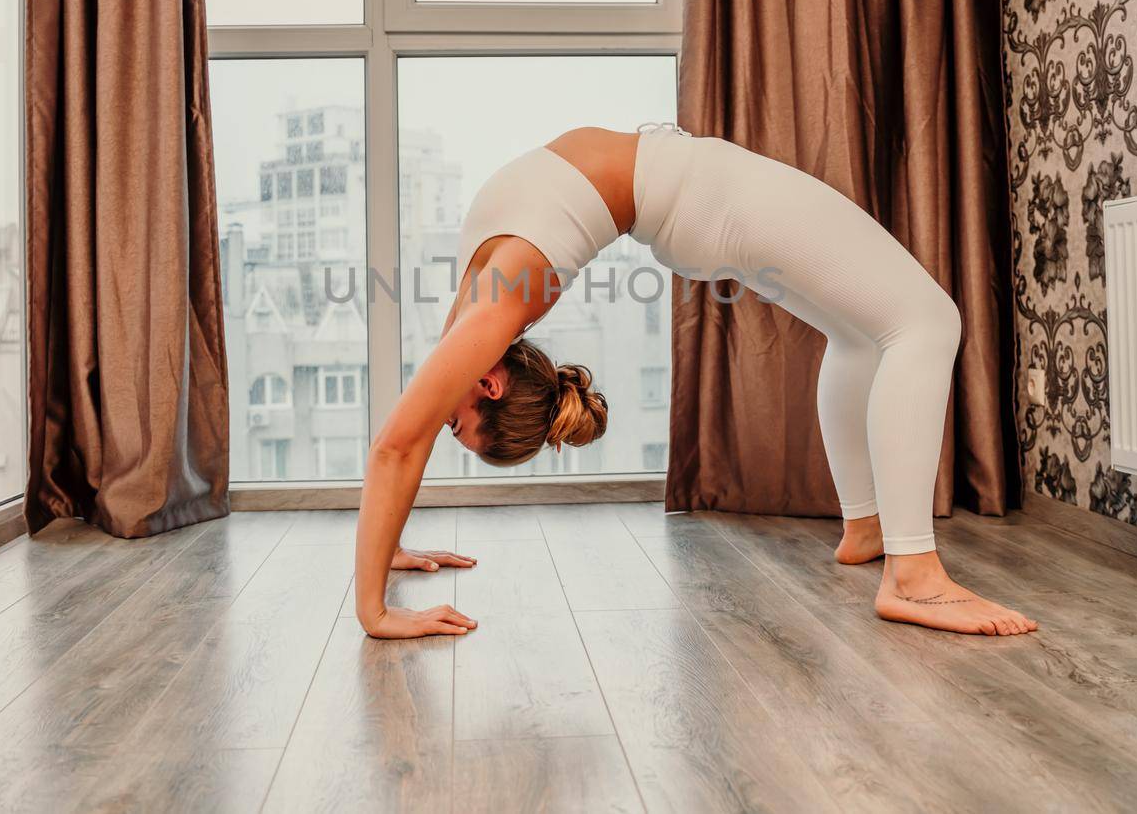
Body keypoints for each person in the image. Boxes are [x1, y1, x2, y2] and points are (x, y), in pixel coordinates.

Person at [354, 123, 1038, 639]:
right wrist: (374, 612)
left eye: (459, 430)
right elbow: (398, 446)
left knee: (861, 333)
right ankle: (913, 574)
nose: (444, 415)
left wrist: (392, 552)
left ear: (491, 387)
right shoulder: (502, 303)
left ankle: (867, 527)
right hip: (713, 198)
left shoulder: (478, 312)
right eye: (459, 426)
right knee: (927, 321)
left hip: (701, 201)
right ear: (494, 387)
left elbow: (402, 442)